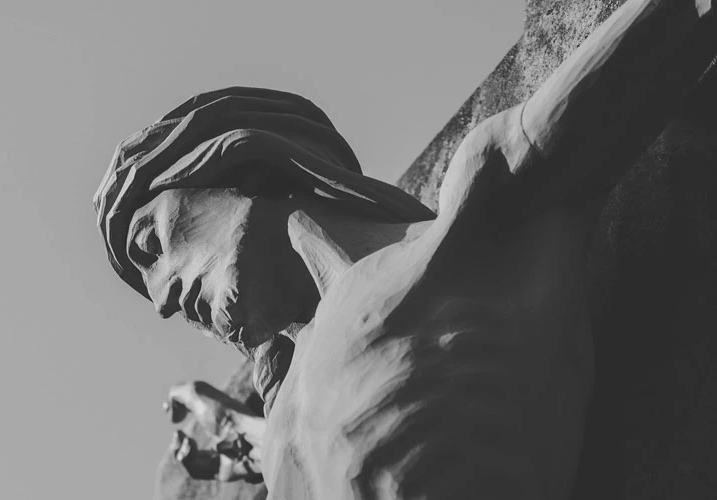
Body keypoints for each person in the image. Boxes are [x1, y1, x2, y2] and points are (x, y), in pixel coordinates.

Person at [94, 1, 716, 498]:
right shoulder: (286, 418)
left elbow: (673, 21)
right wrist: (231, 435)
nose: (162, 301)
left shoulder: (471, 227)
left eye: (151, 243)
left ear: (238, 163)